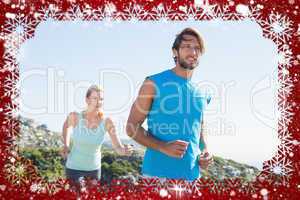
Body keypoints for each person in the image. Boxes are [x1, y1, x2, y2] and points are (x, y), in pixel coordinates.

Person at [126, 27, 213, 181]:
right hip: (157, 177)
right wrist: (163, 147)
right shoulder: (153, 83)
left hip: (192, 178)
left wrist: (205, 150)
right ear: (175, 51)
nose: (193, 52)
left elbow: (198, 125)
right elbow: (132, 127)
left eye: (197, 48)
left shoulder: (204, 91)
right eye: (187, 46)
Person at [61, 85, 133, 194]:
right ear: (87, 100)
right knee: (78, 195)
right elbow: (66, 127)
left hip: (94, 170)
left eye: (101, 99)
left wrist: (124, 150)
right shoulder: (74, 117)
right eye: (95, 98)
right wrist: (66, 145)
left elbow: (118, 147)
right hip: (73, 168)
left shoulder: (107, 122)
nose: (99, 102)